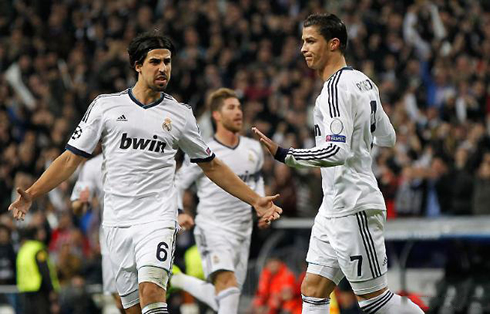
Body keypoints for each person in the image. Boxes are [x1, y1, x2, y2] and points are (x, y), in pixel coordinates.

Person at [9, 30, 282, 314]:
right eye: (155, 61)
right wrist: (32, 194)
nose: (163, 68)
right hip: (117, 222)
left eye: (167, 61)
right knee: (132, 307)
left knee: (152, 290)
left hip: (157, 218)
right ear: (137, 65)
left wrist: (255, 199)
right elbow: (69, 160)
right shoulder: (106, 107)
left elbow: (211, 165)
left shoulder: (180, 114)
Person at [252, 13, 424, 314]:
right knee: (313, 289)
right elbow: (388, 137)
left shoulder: (333, 91)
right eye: (302, 41)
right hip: (333, 206)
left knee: (374, 301)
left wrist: (284, 154)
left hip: (354, 204)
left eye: (310, 41)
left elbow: (336, 152)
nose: (303, 48)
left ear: (333, 44)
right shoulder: (363, 82)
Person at [171, 88, 266, 314]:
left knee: (227, 298)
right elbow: (178, 183)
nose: (238, 112)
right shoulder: (204, 151)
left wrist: (262, 208)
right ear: (216, 115)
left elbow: (256, 181)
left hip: (243, 230)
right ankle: (178, 280)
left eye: (239, 107)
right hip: (212, 227)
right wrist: (179, 211)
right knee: (228, 287)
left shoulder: (253, 148)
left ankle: (178, 280)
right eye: (231, 108)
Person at [16, 227, 60, 314]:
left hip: (25, 290)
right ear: (35, 235)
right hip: (39, 289)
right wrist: (51, 289)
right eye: (41, 232)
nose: (44, 234)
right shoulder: (38, 249)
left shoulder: (23, 250)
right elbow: (44, 270)